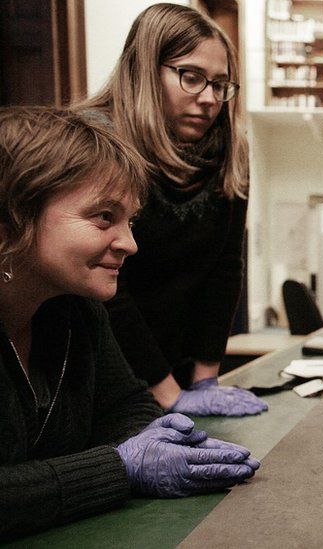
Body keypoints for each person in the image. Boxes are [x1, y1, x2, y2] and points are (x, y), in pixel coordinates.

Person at [0, 107, 260, 540]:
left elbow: (128, 404)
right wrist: (118, 466)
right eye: (104, 217)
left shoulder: (76, 308)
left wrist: (150, 439)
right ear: (11, 221)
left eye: (130, 220)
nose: (130, 243)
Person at [74, 4, 267, 416]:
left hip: (177, 364)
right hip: (98, 373)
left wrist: (205, 380)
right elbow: (107, 291)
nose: (210, 99)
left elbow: (225, 269)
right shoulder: (94, 144)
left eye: (220, 84)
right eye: (192, 78)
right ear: (145, 68)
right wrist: (168, 396)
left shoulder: (230, 151)